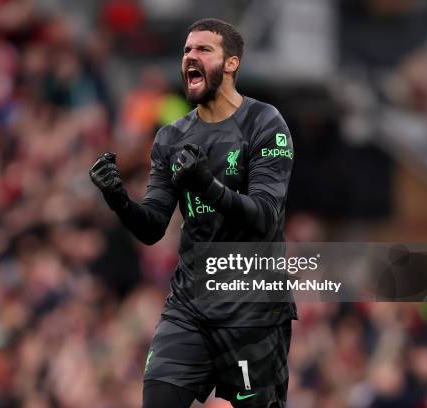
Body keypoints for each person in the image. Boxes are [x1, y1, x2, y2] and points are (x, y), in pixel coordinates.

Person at [90, 18, 296, 408]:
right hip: (190, 305)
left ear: (231, 63)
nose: (189, 57)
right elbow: (153, 226)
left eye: (203, 49)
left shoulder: (265, 123)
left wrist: (208, 187)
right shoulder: (171, 137)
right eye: (186, 50)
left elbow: (265, 215)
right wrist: (118, 198)